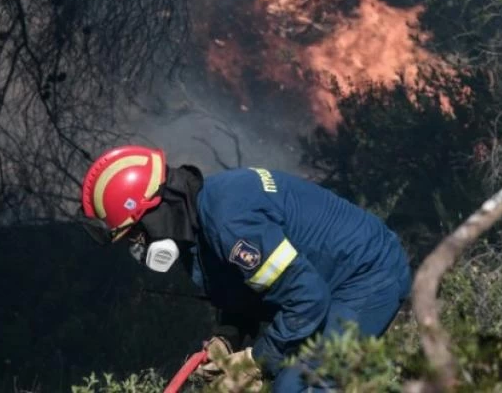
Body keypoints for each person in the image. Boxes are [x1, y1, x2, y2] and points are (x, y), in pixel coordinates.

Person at [79, 145, 412, 392]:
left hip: (367, 276)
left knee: (298, 385)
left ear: (153, 211)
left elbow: (307, 298)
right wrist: (228, 338)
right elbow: (247, 290)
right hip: (327, 285)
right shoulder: (198, 231)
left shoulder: (229, 222)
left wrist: (257, 361)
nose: (138, 246)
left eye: (135, 234)